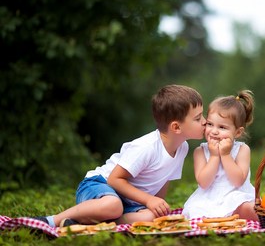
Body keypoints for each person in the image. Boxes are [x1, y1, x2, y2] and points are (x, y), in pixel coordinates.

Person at [34, 84, 206, 227]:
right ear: (176, 127)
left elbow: (164, 179)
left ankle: (96, 223)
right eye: (198, 118)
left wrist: (156, 204)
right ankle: (52, 221)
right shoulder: (146, 147)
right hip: (99, 185)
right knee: (112, 205)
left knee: (152, 218)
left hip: (128, 200)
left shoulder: (182, 147)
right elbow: (114, 180)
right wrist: (148, 200)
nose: (205, 121)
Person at [182, 90, 258, 221]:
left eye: (222, 127)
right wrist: (214, 156)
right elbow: (204, 183)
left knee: (249, 209)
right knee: (195, 209)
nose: (214, 131)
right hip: (208, 197)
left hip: (236, 195)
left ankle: (236, 215)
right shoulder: (200, 152)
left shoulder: (242, 149)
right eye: (210, 124)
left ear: (238, 132)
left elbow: (238, 181)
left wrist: (226, 155)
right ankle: (221, 218)